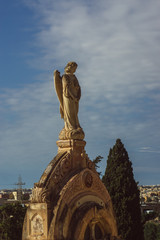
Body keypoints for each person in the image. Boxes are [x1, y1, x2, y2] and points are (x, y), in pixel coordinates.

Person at [54, 62, 84, 140]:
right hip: (68, 97)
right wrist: (73, 96)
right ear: (69, 67)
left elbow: (78, 87)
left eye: (75, 68)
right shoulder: (65, 77)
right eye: (74, 68)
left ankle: (76, 126)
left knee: (75, 112)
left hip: (75, 99)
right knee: (69, 113)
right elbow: (66, 88)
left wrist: (77, 96)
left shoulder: (74, 77)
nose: (75, 70)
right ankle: (70, 127)